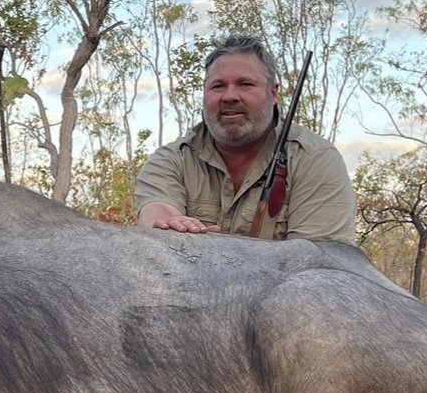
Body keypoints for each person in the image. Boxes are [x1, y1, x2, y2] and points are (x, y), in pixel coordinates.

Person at [134, 34, 356, 243]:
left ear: (273, 93)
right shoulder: (171, 160)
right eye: (218, 86)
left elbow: (316, 265)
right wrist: (166, 224)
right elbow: (158, 211)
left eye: (245, 84)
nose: (229, 96)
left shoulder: (315, 159)